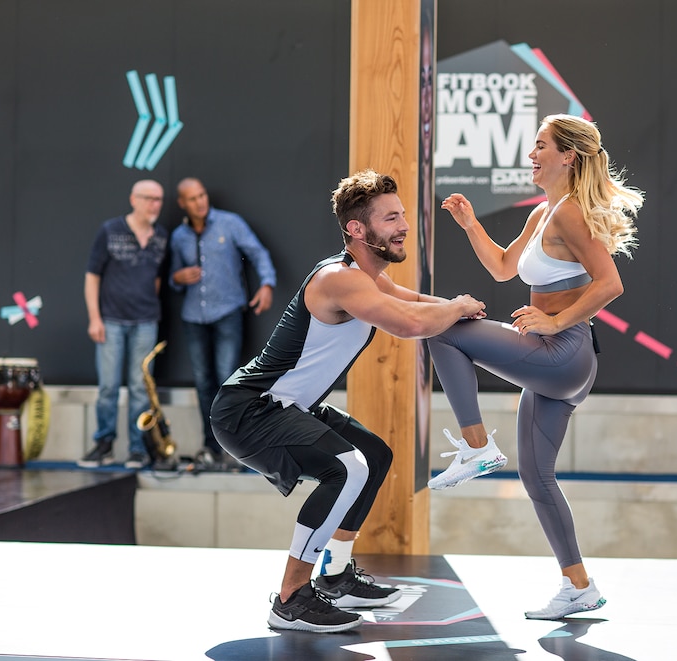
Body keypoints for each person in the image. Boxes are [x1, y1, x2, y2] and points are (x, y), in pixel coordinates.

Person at [210, 169, 486, 633]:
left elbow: (414, 300)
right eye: (390, 218)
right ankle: (291, 598)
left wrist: (462, 307)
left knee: (375, 456)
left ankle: (335, 573)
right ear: (357, 229)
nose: (402, 226)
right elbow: (409, 323)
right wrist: (457, 308)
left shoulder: (364, 276)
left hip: (288, 406)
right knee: (349, 467)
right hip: (249, 409)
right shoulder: (340, 279)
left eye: (402, 216)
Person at [427, 114, 643, 620]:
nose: (531, 155)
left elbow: (609, 283)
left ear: (567, 156)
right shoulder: (544, 214)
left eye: (540, 146)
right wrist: (470, 225)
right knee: (537, 476)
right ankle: (580, 585)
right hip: (563, 365)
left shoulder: (569, 213)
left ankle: (478, 448)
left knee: (443, 328)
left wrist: (554, 322)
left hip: (563, 351)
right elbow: (504, 268)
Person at [169, 178, 276, 468]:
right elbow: (173, 278)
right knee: (203, 383)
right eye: (192, 198)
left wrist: (267, 284)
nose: (200, 201)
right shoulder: (179, 236)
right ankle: (210, 445)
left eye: (202, 195)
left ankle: (235, 447)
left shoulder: (230, 224)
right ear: (183, 203)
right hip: (194, 316)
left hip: (227, 311)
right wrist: (177, 279)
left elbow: (257, 252)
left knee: (228, 380)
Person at [79, 180, 170, 469]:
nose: (154, 204)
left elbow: (155, 279)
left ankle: (136, 449)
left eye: (158, 199)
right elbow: (92, 276)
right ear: (133, 199)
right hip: (111, 321)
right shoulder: (110, 230)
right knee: (108, 386)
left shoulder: (161, 236)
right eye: (148, 198)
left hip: (145, 321)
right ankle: (104, 443)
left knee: (140, 388)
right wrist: (95, 318)